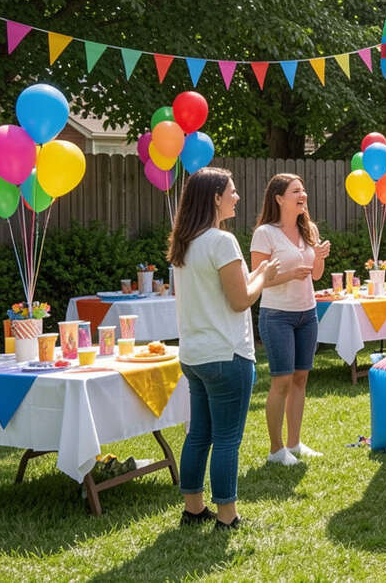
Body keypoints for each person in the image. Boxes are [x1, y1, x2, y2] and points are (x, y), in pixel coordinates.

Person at [168, 167, 279, 530]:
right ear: (215, 197)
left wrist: (256, 276)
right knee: (227, 439)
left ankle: (193, 508)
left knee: (199, 433)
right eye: (231, 191)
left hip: (194, 356)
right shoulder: (221, 241)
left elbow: (222, 293)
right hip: (227, 355)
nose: (237, 197)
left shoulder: (184, 245)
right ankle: (227, 517)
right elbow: (239, 300)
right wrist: (264, 276)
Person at [251, 173, 331, 466]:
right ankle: (276, 450)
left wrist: (319, 256)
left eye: (304, 190)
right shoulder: (265, 234)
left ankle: (295, 444)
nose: (303, 195)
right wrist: (288, 275)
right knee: (281, 380)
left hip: (307, 313)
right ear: (279, 198)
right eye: (296, 191)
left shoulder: (308, 228)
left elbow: (317, 274)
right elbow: (256, 280)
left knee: (300, 378)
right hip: (277, 316)